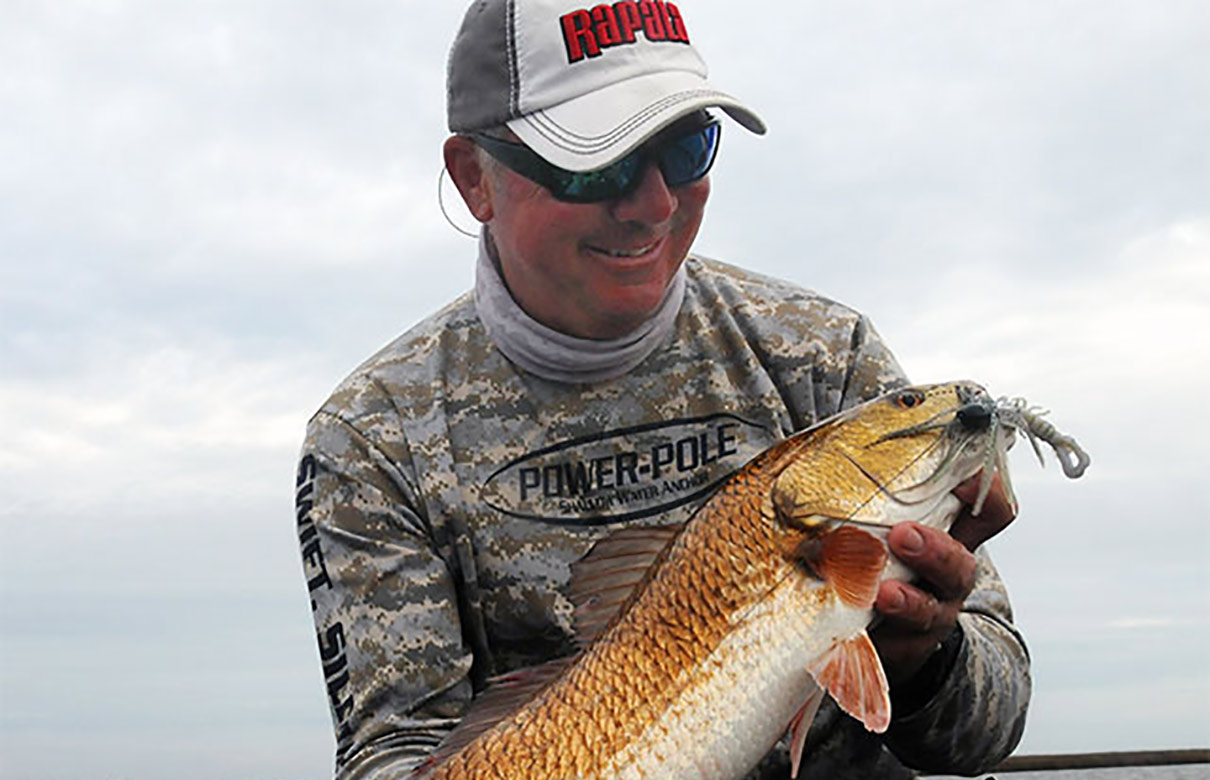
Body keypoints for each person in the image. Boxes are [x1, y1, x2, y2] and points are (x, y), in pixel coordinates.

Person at [293, 1, 1030, 777]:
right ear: (475, 178)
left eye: (686, 148)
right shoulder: (375, 440)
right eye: (598, 161)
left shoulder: (821, 353)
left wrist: (927, 656)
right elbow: (395, 753)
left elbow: (991, 724)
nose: (653, 203)